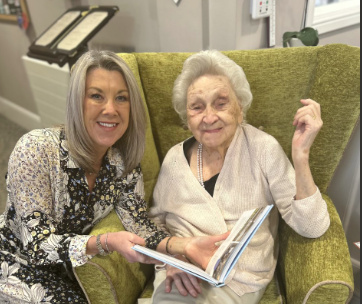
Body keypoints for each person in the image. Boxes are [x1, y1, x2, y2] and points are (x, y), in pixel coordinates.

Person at [0, 50, 228, 304]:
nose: (111, 109)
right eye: (97, 96)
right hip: (14, 262)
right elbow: (37, 245)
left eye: (121, 98)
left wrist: (182, 248)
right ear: (77, 102)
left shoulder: (121, 164)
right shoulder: (35, 149)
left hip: (70, 269)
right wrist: (105, 241)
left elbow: (140, 226)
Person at [148, 50, 331, 304]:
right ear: (187, 118)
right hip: (181, 274)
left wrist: (301, 155)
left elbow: (312, 226)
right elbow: (154, 224)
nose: (209, 117)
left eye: (221, 103)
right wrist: (173, 258)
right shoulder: (173, 160)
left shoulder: (263, 149)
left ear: (240, 109)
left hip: (238, 279)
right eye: (197, 107)